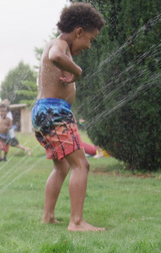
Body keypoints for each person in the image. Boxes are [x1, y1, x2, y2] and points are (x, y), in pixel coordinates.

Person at [32, 2, 106, 231]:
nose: (89, 46)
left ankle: (48, 216)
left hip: (44, 112)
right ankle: (76, 222)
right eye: (90, 40)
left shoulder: (57, 44)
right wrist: (78, 70)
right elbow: (55, 56)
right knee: (81, 165)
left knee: (62, 167)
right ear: (79, 32)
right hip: (55, 112)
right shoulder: (60, 44)